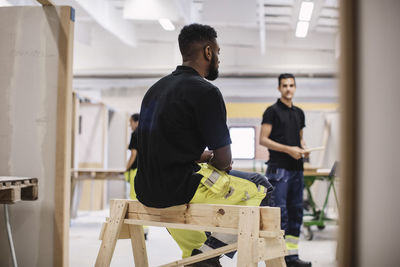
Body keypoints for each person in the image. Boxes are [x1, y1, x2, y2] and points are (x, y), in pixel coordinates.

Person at [134, 23, 273, 267]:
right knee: (261, 187)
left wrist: (201, 156)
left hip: (146, 190)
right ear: (208, 52)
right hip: (179, 190)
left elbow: (163, 146)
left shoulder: (154, 90)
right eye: (218, 52)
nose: (218, 58)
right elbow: (223, 161)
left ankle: (198, 254)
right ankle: (206, 256)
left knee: (199, 235)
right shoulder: (206, 91)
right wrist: (213, 158)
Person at [259, 73, 312, 267]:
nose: (288, 88)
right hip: (279, 171)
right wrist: (289, 150)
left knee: (296, 214)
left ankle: (291, 257)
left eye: (291, 85)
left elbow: (300, 139)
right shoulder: (271, 111)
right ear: (279, 88)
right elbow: (263, 139)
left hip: (297, 170)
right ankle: (276, 259)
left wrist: (303, 149)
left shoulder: (299, 113)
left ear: (295, 87)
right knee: (279, 215)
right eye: (284, 85)